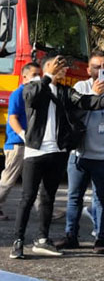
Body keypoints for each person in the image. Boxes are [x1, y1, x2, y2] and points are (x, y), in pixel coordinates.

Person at [11, 52, 104, 259]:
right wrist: (47, 76)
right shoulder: (33, 87)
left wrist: (98, 95)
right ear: (47, 67)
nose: (63, 69)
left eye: (63, 66)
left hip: (58, 152)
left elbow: (86, 102)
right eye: (58, 65)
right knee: (27, 197)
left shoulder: (65, 91)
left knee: (48, 197)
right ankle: (18, 241)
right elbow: (32, 98)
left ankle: (42, 239)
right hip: (35, 151)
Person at [60, 49, 104, 253]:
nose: (100, 70)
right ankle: (71, 235)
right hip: (80, 154)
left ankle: (101, 238)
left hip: (102, 157)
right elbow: (73, 114)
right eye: (96, 67)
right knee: (74, 197)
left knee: (101, 199)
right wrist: (94, 95)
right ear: (88, 69)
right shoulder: (81, 87)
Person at [0, 62, 41, 221]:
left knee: (35, 179)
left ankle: (44, 210)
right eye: (34, 75)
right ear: (24, 77)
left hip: (29, 143)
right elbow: (12, 118)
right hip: (17, 144)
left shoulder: (35, 95)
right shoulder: (18, 94)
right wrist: (22, 134)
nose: (38, 78)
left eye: (39, 75)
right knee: (9, 178)